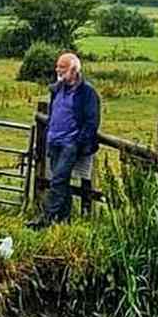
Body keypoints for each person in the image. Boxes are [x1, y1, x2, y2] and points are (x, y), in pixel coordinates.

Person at [43, 52, 101, 224]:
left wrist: (78, 142)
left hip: (70, 143)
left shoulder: (87, 92)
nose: (58, 70)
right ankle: (64, 219)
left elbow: (92, 121)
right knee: (62, 181)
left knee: (58, 179)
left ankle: (46, 218)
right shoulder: (57, 89)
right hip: (54, 140)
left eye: (62, 67)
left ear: (74, 70)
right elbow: (54, 112)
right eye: (57, 66)